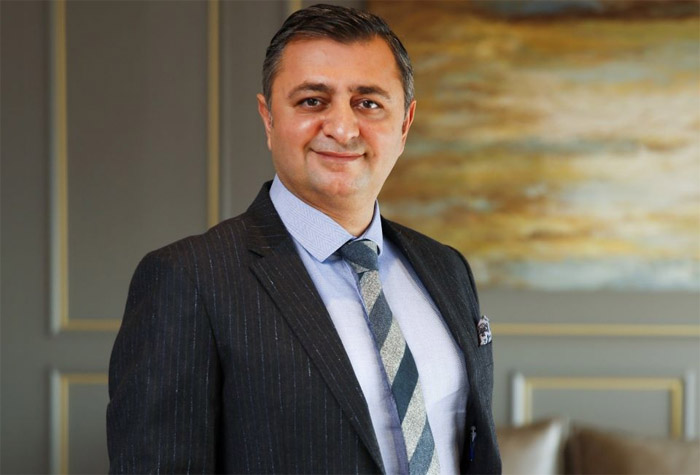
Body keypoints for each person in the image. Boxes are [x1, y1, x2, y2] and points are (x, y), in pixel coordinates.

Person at [107, 4, 500, 474]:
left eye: (368, 103)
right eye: (312, 101)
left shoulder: (446, 268)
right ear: (268, 118)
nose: (342, 128)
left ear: (404, 124)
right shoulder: (188, 280)